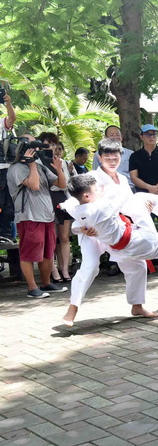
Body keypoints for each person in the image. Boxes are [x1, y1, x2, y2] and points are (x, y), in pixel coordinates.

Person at [62, 139, 154, 326]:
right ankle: (72, 308)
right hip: (92, 232)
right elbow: (72, 203)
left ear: (121, 157)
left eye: (116, 157)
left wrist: (145, 207)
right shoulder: (91, 177)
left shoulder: (123, 179)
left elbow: (129, 206)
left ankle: (137, 305)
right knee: (91, 266)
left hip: (116, 230)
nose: (112, 161)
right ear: (99, 157)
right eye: (108, 158)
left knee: (137, 265)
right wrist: (82, 227)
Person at [65, 173, 158, 291]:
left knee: (137, 270)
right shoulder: (102, 207)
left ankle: (137, 305)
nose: (99, 191)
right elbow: (125, 195)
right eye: (96, 189)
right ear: (87, 195)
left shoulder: (78, 211)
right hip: (141, 242)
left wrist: (82, 229)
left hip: (120, 252)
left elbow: (69, 210)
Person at [7, 139, 68, 298]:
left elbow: (61, 184)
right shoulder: (16, 169)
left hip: (47, 216)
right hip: (29, 216)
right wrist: (31, 163)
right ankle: (32, 288)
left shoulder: (40, 167)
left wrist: (59, 170)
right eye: (33, 149)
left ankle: (46, 283)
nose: (37, 152)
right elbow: (34, 185)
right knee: (29, 253)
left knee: (48, 253)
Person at [129, 124, 158, 237]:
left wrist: (157, 189)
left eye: (154, 134)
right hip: (143, 200)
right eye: (148, 134)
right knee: (142, 233)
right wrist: (149, 188)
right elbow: (134, 177)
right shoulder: (135, 156)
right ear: (141, 136)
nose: (152, 137)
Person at [47, 141, 76, 284]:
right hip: (51, 199)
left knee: (64, 237)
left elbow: (71, 182)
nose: (57, 151)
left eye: (60, 148)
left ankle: (64, 268)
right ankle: (53, 271)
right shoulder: (45, 163)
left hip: (65, 199)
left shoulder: (65, 163)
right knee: (53, 238)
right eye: (54, 148)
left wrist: (70, 170)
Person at [93, 125, 134, 189]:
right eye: (111, 135)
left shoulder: (131, 154)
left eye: (117, 135)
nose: (115, 137)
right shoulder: (98, 154)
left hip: (128, 187)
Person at [0, 91, 17, 240]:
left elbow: (12, 118)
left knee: (5, 204)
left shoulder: (1, 123)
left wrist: (8, 103)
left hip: (2, 170)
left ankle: (5, 234)